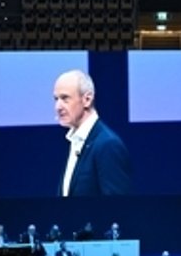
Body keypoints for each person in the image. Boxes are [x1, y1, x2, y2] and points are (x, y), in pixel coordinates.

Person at [54, 69, 131, 197]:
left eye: (65, 98)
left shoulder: (107, 145)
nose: (58, 106)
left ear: (87, 99)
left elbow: (118, 205)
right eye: (56, 99)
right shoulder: (76, 141)